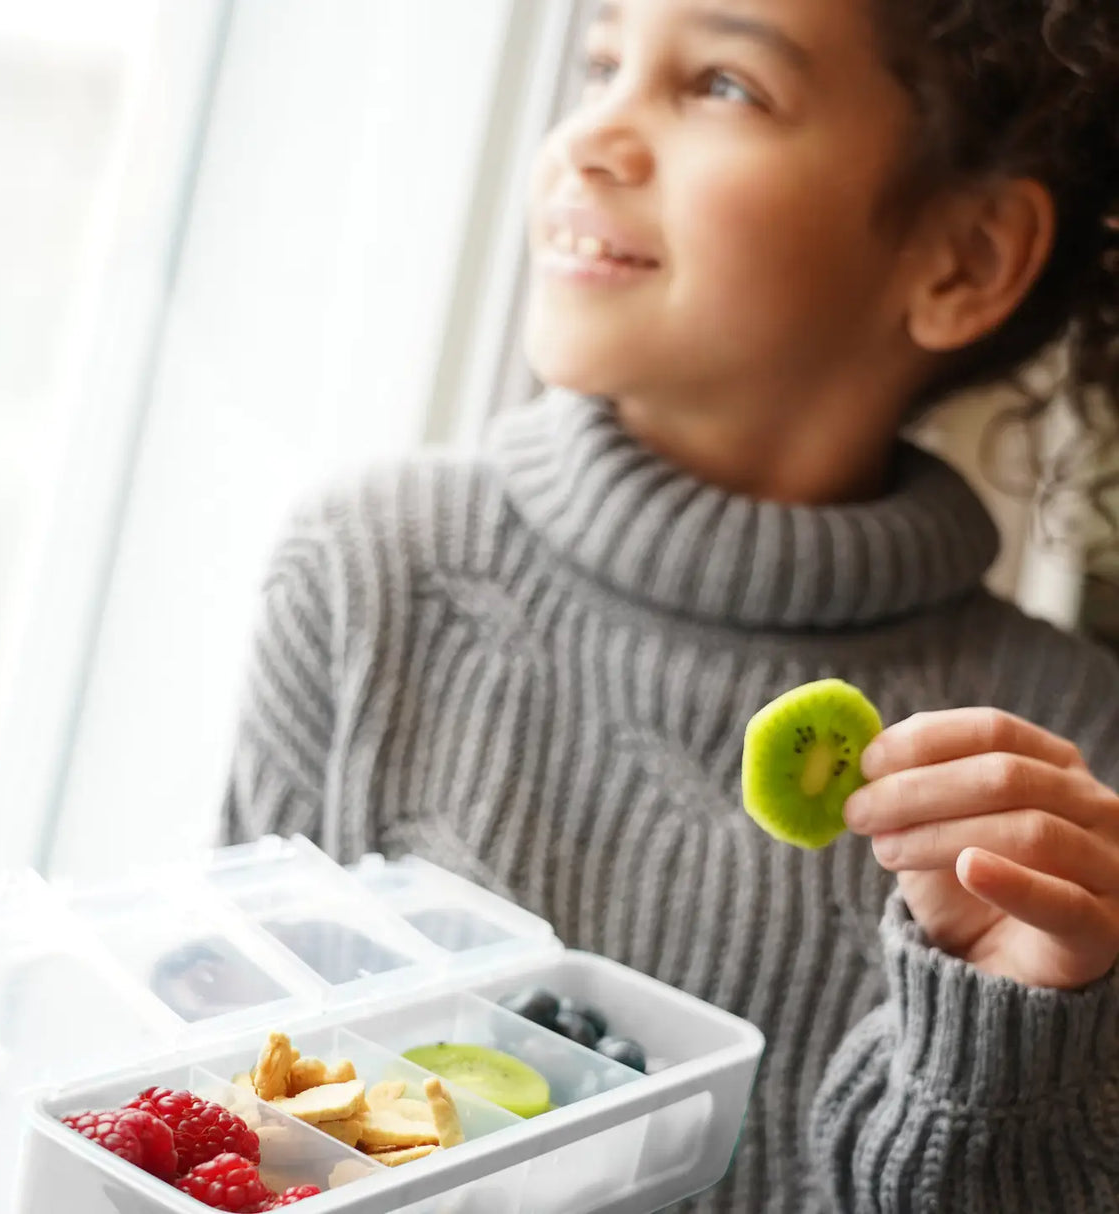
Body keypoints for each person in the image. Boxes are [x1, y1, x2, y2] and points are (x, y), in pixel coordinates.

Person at [220, 0, 1119, 1208]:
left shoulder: (1065, 763)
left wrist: (1002, 1030)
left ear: (959, 258)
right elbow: (225, 1115)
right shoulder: (365, 571)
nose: (588, 137)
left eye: (721, 86)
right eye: (600, 63)